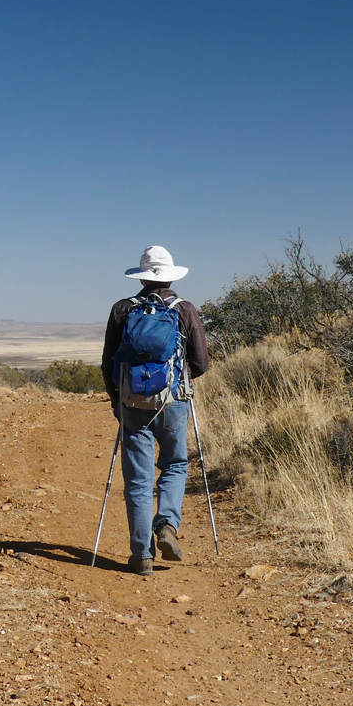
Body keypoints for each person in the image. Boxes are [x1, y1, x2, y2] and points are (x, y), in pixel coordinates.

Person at [101, 246, 210, 576]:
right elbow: (201, 363)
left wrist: (116, 399)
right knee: (175, 464)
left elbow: (108, 362)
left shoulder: (123, 309)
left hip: (133, 402)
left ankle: (141, 555)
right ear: (171, 275)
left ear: (142, 277)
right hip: (174, 400)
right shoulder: (184, 309)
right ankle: (167, 525)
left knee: (137, 479)